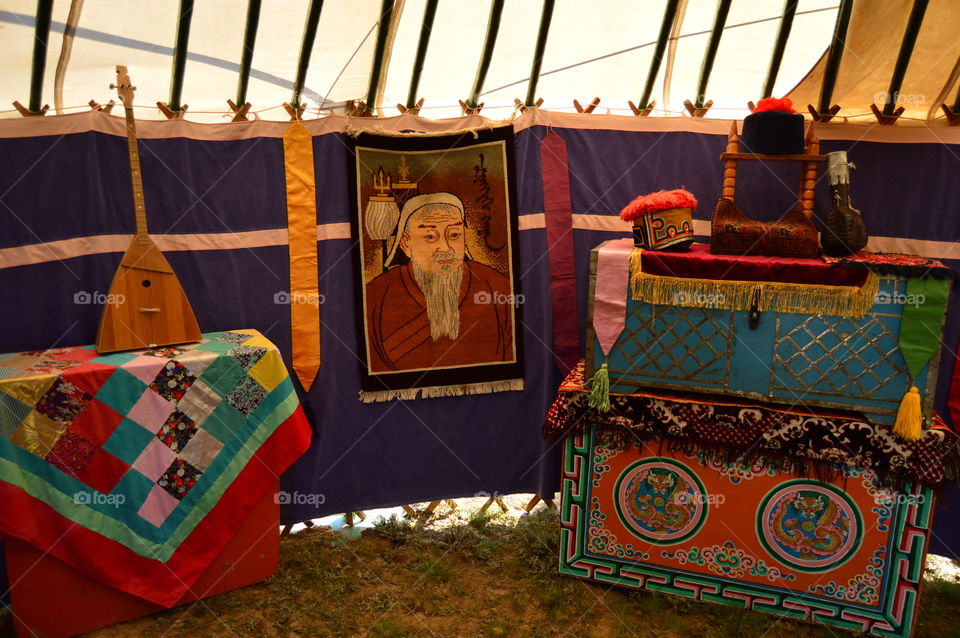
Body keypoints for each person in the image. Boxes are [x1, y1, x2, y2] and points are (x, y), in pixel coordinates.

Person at [364, 192, 515, 373]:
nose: (445, 247)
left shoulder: (497, 288)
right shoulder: (376, 294)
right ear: (406, 243)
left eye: (454, 235)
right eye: (430, 236)